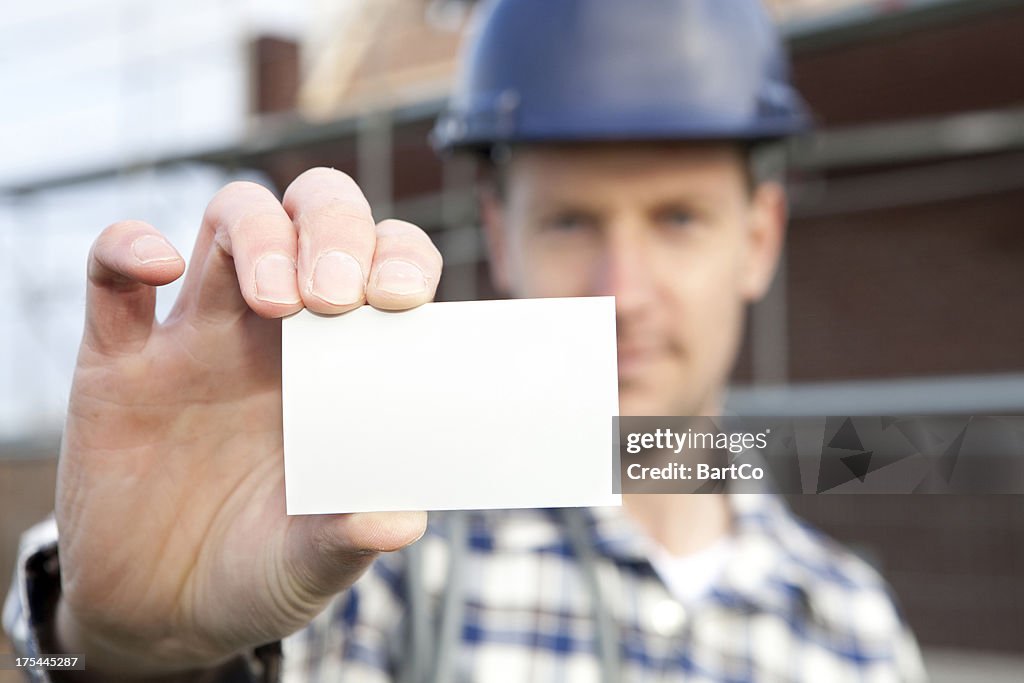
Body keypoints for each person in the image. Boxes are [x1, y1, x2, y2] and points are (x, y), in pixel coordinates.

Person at [5, 1, 926, 681]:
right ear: (498, 232)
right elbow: (90, 657)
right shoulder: (372, 554)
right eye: (570, 221)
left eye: (679, 218)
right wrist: (113, 644)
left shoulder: (852, 631)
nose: (621, 292)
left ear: (759, 237)